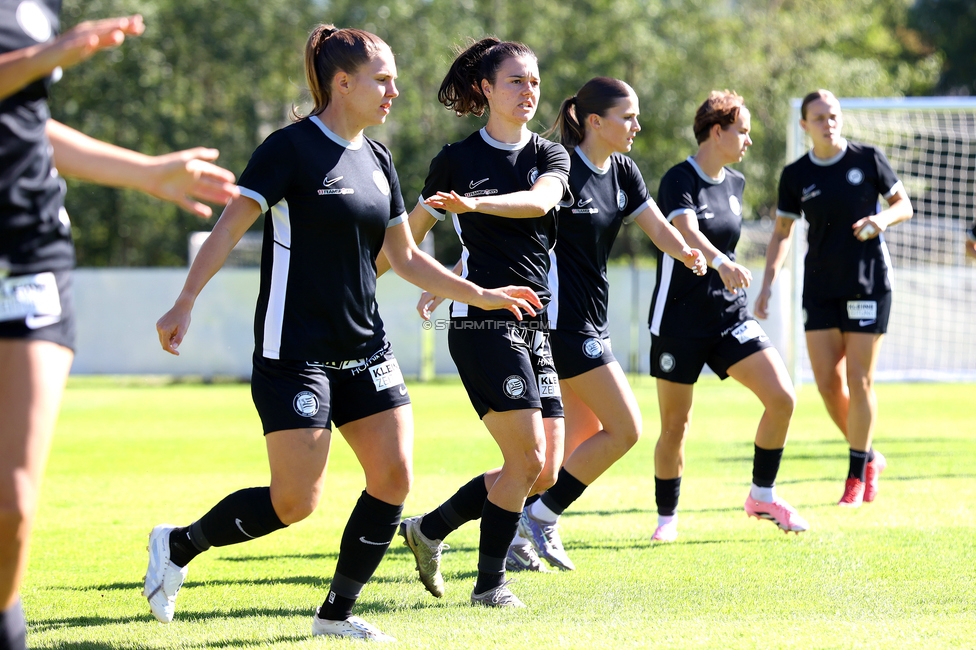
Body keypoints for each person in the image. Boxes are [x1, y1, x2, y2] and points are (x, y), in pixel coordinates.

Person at [143, 25, 540, 642]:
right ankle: (179, 544)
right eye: (382, 79)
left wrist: (481, 294)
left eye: (395, 79)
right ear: (342, 82)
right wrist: (185, 300)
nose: (394, 91)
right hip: (295, 350)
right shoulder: (289, 149)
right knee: (295, 502)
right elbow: (227, 230)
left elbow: (404, 256)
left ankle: (335, 614)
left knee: (394, 477)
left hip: (366, 347)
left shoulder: (379, 160)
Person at [0, 7, 240, 650]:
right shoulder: (47, 39)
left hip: (27, 257)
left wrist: (148, 171)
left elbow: (25, 126)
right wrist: (49, 56)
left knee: (12, 507)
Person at [380, 37, 571, 608]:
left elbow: (539, 205)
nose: (528, 92)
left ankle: (429, 529)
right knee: (526, 460)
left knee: (544, 470)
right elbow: (406, 236)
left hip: (535, 321)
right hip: (483, 321)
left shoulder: (549, 156)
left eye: (534, 82)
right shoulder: (455, 161)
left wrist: (473, 207)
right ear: (486, 89)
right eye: (516, 81)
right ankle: (490, 585)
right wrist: (387, 275)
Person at [492, 77, 707, 571]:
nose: (636, 125)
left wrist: (691, 254)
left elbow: (658, 228)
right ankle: (539, 520)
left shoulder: (625, 172)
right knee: (627, 429)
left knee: (556, 456)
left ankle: (495, 528)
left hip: (592, 321)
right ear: (595, 121)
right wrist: (459, 276)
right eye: (627, 117)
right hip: (560, 324)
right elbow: (510, 232)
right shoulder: (559, 170)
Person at [648, 90, 808, 543]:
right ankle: (666, 519)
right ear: (716, 132)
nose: (748, 140)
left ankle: (762, 495)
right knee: (675, 427)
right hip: (678, 322)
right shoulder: (678, 178)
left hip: (728, 317)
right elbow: (686, 230)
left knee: (782, 398)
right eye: (742, 130)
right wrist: (721, 262)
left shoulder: (735, 183)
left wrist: (740, 277)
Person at [754, 89, 913, 507]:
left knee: (859, 380)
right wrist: (768, 283)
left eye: (834, 115)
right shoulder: (795, 175)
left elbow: (904, 205)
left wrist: (880, 219)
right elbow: (782, 233)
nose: (829, 122)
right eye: (820, 117)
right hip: (821, 289)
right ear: (805, 125)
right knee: (827, 383)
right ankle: (870, 456)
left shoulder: (868, 159)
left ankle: (856, 474)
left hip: (868, 284)